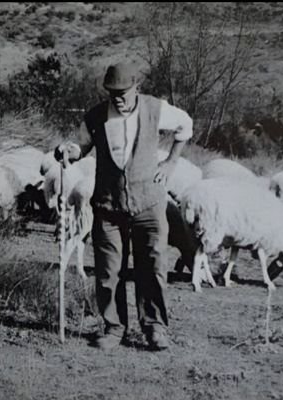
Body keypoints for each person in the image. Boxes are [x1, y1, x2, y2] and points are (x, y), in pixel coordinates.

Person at [55, 61, 193, 351]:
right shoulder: (95, 116)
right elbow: (81, 146)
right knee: (108, 271)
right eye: (112, 92)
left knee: (153, 267)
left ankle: (155, 328)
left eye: (123, 92)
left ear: (136, 87)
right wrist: (69, 151)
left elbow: (185, 126)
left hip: (149, 204)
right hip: (108, 205)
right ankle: (114, 328)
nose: (117, 97)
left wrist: (171, 162)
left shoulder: (157, 109)